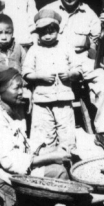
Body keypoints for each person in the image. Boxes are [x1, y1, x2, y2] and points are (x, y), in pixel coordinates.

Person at [0, 65, 71, 206]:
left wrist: (55, 151)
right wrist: (52, 157)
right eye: (17, 88)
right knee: (57, 173)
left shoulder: (8, 110)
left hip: (8, 171)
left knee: (62, 167)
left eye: (22, 87)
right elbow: (10, 161)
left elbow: (24, 146)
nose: (22, 92)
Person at [45, 0, 104, 154]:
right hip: (56, 58)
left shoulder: (88, 12)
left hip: (82, 59)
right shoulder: (49, 10)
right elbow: (38, 39)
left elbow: (100, 42)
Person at [23, 9, 87, 155]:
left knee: (66, 130)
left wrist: (71, 75)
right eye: (43, 32)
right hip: (42, 100)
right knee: (43, 132)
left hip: (63, 98)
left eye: (51, 32)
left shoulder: (66, 47)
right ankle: (46, 162)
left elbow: (78, 69)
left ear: (58, 31)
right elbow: (26, 73)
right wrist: (40, 76)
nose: (47, 36)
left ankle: (68, 158)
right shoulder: (34, 50)